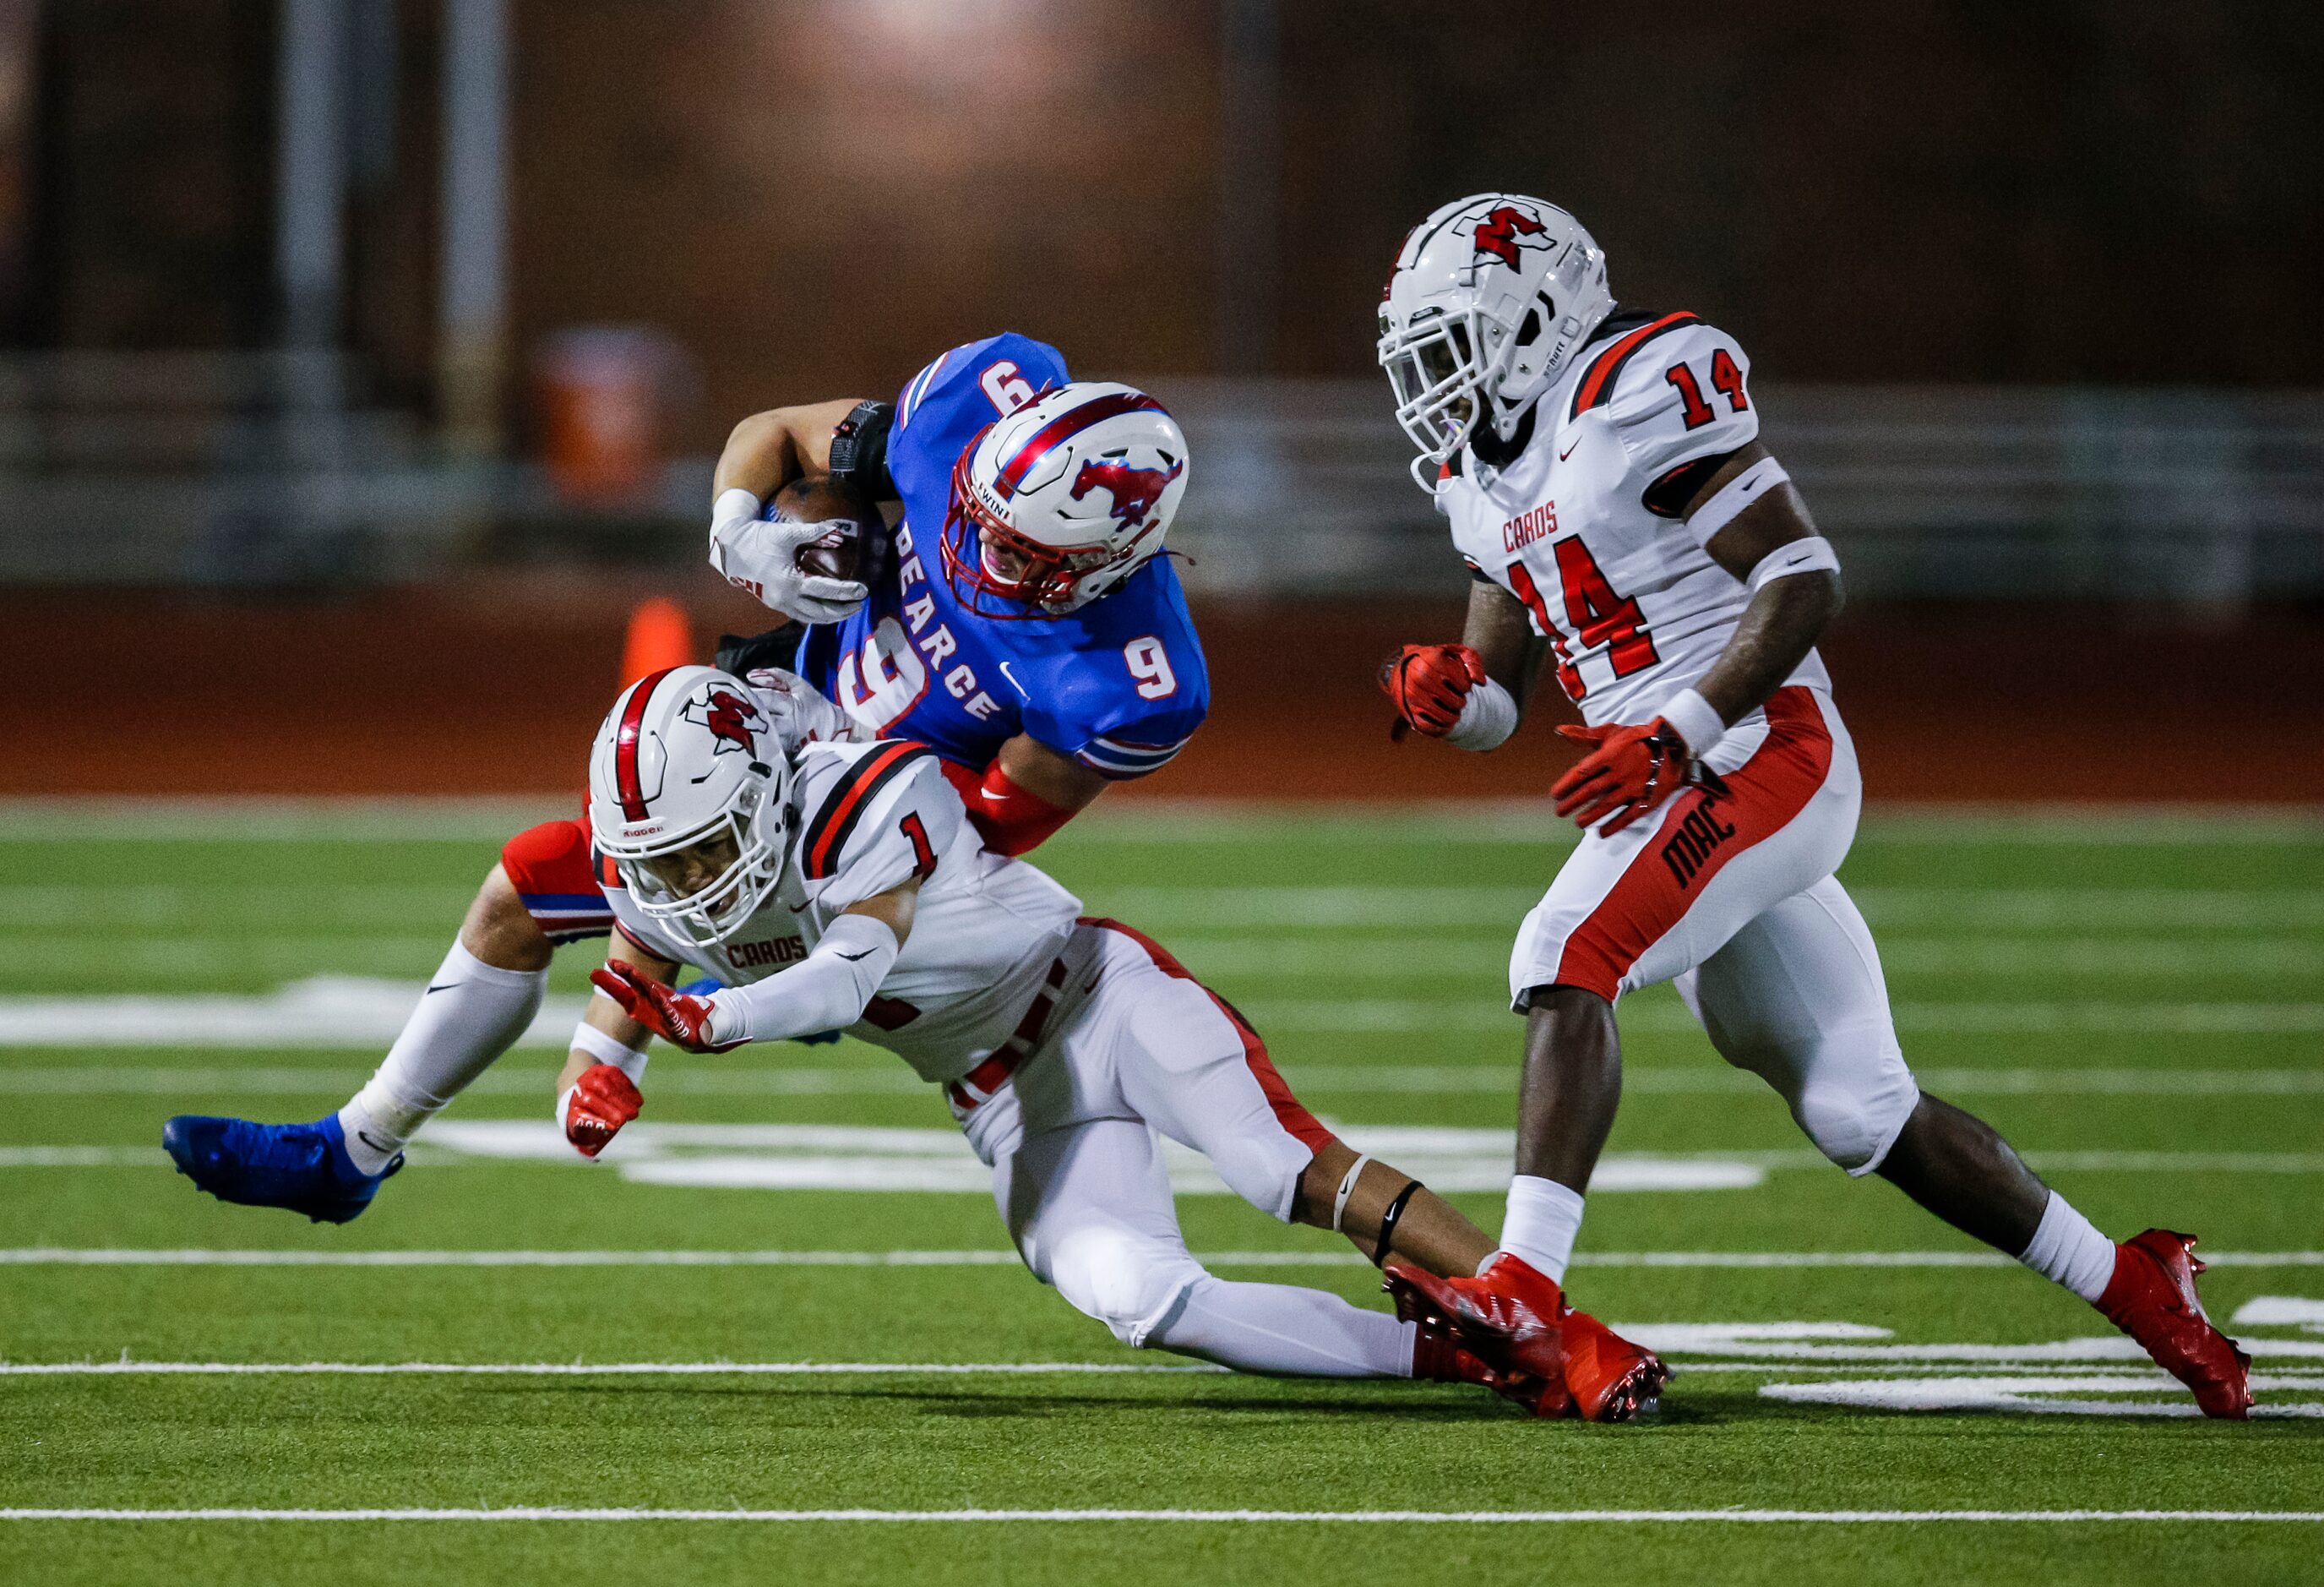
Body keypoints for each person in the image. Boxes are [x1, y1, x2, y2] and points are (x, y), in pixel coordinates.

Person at [1372, 192, 2252, 1421]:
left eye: (1452, 339)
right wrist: (1438, 695)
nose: (1438, 377)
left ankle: (1521, 1283)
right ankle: (2135, 1281)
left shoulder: (1638, 385)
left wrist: (1674, 732)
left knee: (1568, 949)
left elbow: (1799, 575)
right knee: (1859, 1108)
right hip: (1665, 769)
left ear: (1529, 315)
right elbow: (1495, 699)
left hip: (1757, 744)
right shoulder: (1477, 467)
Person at [164, 338, 1211, 1225]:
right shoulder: (969, 420)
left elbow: (989, 828)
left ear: (1105, 560)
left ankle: (602, 1055)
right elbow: (779, 435)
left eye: (1017, 550)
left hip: (860, 818)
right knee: (529, 885)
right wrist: (747, 533)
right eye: (977, 513)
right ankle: (355, 1152)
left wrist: (843, 890)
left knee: (619, 887)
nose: (974, 549)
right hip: (773, 728)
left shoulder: (1127, 681)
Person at [557, 665, 1614, 1409]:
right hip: (1001, 1100)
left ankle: (1556, 1325)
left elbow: (845, 978)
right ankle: (1464, 1361)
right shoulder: (668, 886)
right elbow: (629, 970)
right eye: (666, 860)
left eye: (703, 849)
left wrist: (717, 1015)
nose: (688, 883)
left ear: (765, 790)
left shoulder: (867, 796)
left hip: (1093, 997)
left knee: (1275, 1163)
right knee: (1145, 1301)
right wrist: (596, 1072)